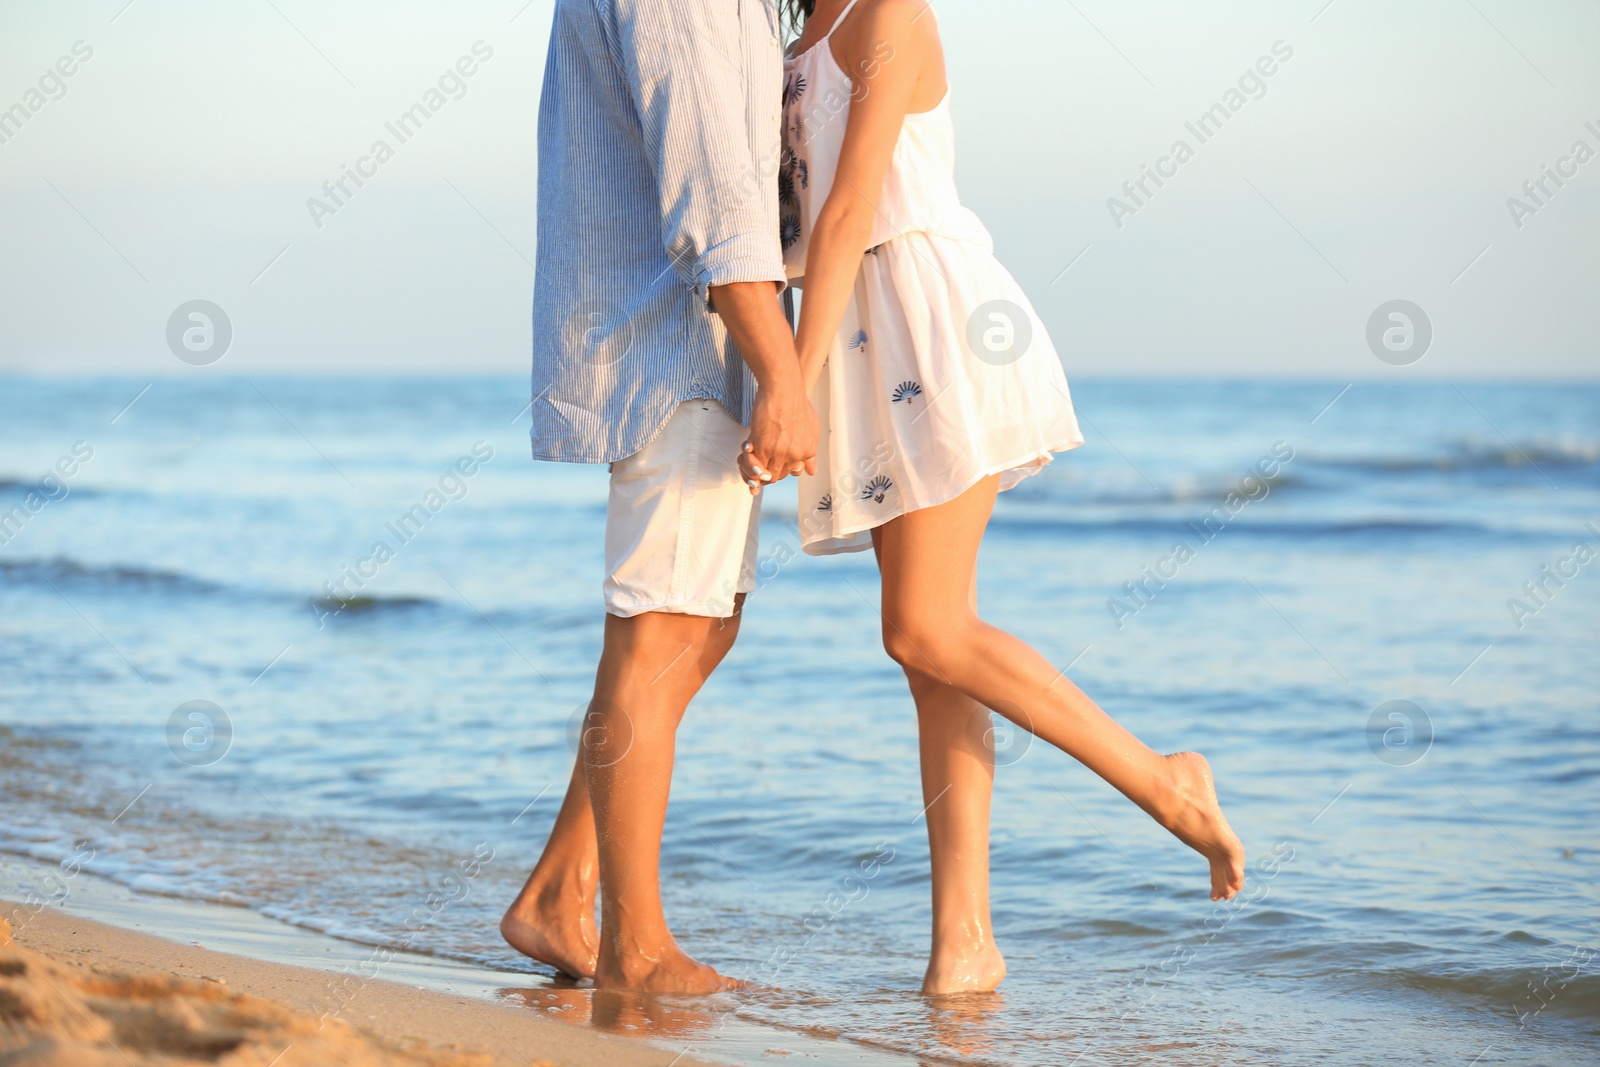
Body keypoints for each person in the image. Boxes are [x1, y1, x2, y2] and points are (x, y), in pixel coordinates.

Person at [777, 0, 1246, 995]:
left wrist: (794, 382)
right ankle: (964, 944)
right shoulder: (796, 42)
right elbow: (800, 226)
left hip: (934, 327)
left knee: (922, 627)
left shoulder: (888, 10)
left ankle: (1165, 778)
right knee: (931, 646)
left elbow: (856, 201)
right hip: (864, 341)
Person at [500, 0, 817, 994]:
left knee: (695, 626)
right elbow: (715, 197)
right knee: (660, 630)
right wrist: (785, 371)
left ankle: (561, 885)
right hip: (675, 343)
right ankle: (634, 947)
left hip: (680, 340)